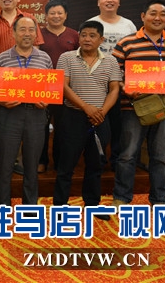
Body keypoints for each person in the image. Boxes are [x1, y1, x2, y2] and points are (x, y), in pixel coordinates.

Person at [112, 0, 165, 207]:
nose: (157, 18)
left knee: (161, 158)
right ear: (143, 16)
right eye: (153, 13)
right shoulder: (127, 43)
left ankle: (159, 198)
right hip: (133, 108)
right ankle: (122, 197)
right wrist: (125, 88)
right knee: (127, 155)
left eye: (163, 14)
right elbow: (113, 74)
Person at [52, 21, 121, 220]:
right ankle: (60, 207)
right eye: (83, 35)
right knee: (66, 165)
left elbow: (114, 89)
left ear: (101, 39)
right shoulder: (67, 58)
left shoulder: (111, 61)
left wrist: (102, 112)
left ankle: (92, 204)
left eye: (92, 35)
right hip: (73, 117)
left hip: (100, 119)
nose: (87, 39)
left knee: (96, 164)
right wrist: (86, 107)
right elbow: (63, 86)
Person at [0, 0, 44, 176]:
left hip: (25, 80)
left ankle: (14, 160)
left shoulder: (29, 19)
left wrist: (27, 69)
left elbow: (36, 45)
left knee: (21, 122)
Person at [0, 17, 52, 207]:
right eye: (22, 29)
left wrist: (47, 100)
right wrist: (2, 100)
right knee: (4, 163)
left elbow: (51, 87)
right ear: (13, 33)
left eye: (31, 30)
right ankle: (1, 205)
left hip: (36, 115)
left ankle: (30, 207)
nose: (27, 34)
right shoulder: (2, 58)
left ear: (36, 34)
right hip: (10, 114)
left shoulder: (45, 58)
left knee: (32, 164)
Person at [87, 0, 137, 170]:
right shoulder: (91, 22)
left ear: (119, 2)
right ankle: (97, 159)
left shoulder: (128, 25)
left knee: (119, 124)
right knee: (97, 122)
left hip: (122, 84)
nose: (110, 0)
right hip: (96, 83)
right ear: (98, 2)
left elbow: (134, 54)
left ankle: (116, 159)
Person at [38, 0, 79, 173]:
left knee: (63, 127)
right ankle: (41, 161)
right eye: (52, 13)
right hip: (43, 86)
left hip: (66, 87)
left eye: (60, 13)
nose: (56, 16)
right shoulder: (38, 34)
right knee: (41, 126)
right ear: (46, 16)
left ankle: (60, 161)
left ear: (66, 15)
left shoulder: (74, 35)